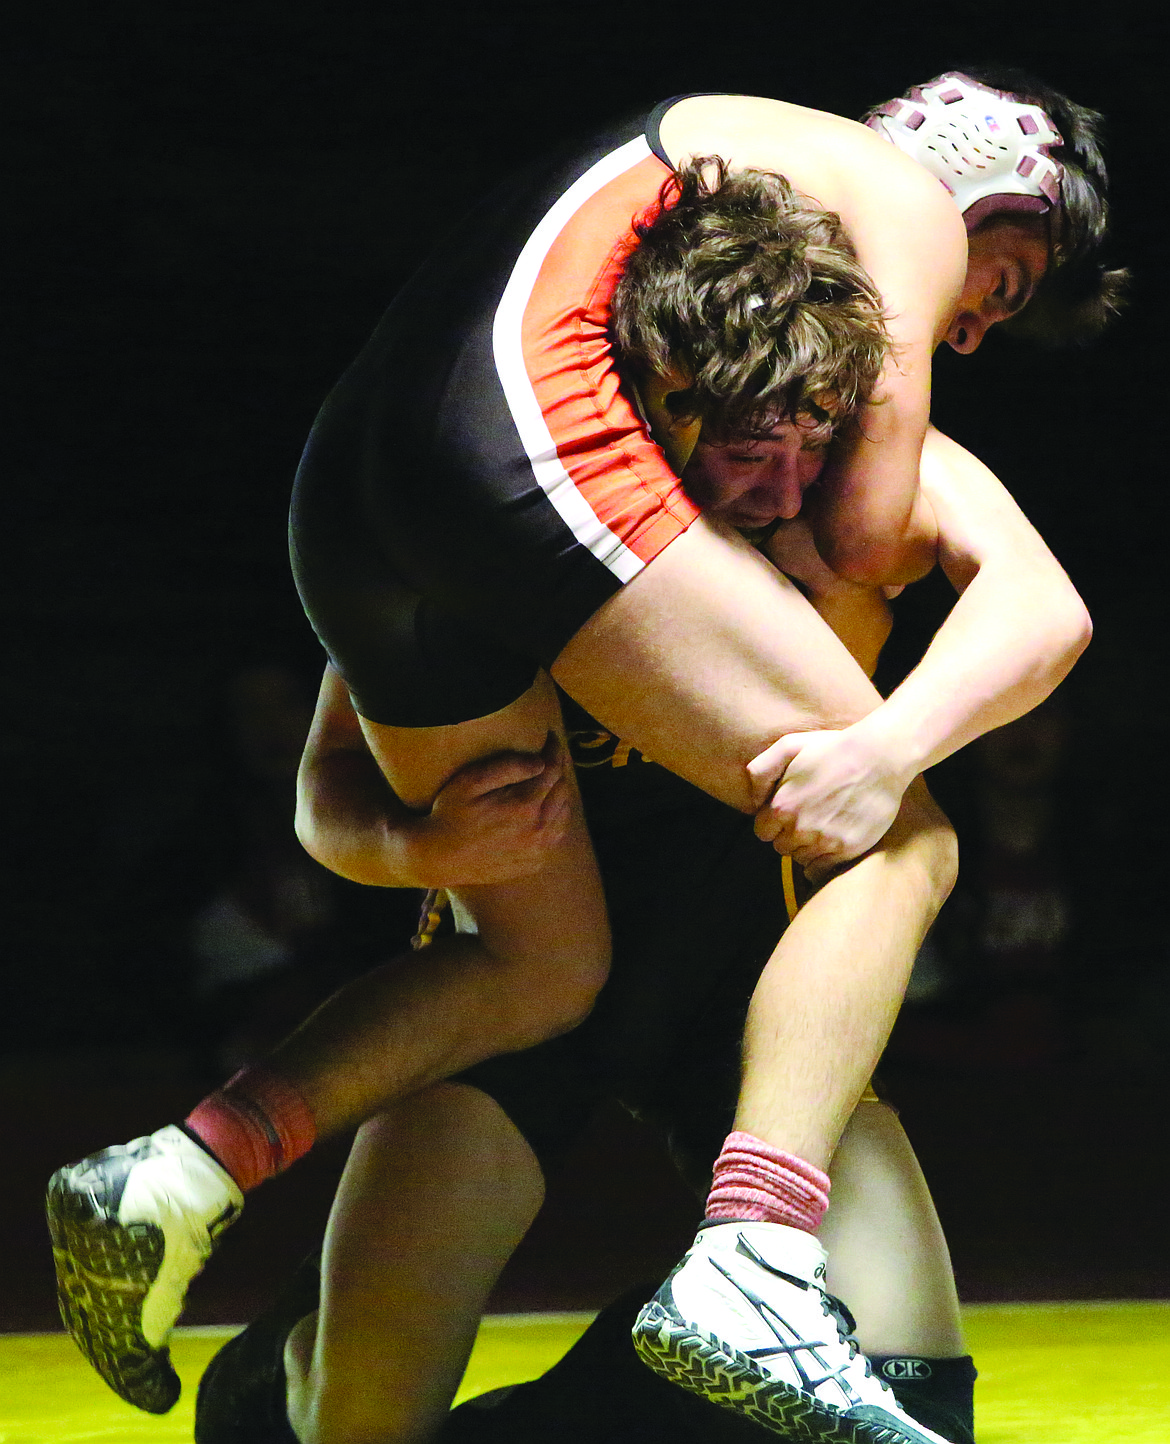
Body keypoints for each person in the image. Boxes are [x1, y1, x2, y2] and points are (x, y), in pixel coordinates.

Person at [48, 71, 1114, 1442]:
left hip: (745, 993)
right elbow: (332, 788)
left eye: (810, 415)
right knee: (355, 1425)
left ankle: (731, 1280)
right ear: (659, 365)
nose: (771, 457)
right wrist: (416, 847)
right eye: (730, 412)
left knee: (911, 1402)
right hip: (527, 987)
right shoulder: (564, 484)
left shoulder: (870, 460)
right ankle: (296, 1362)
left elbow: (1037, 608)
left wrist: (886, 735)